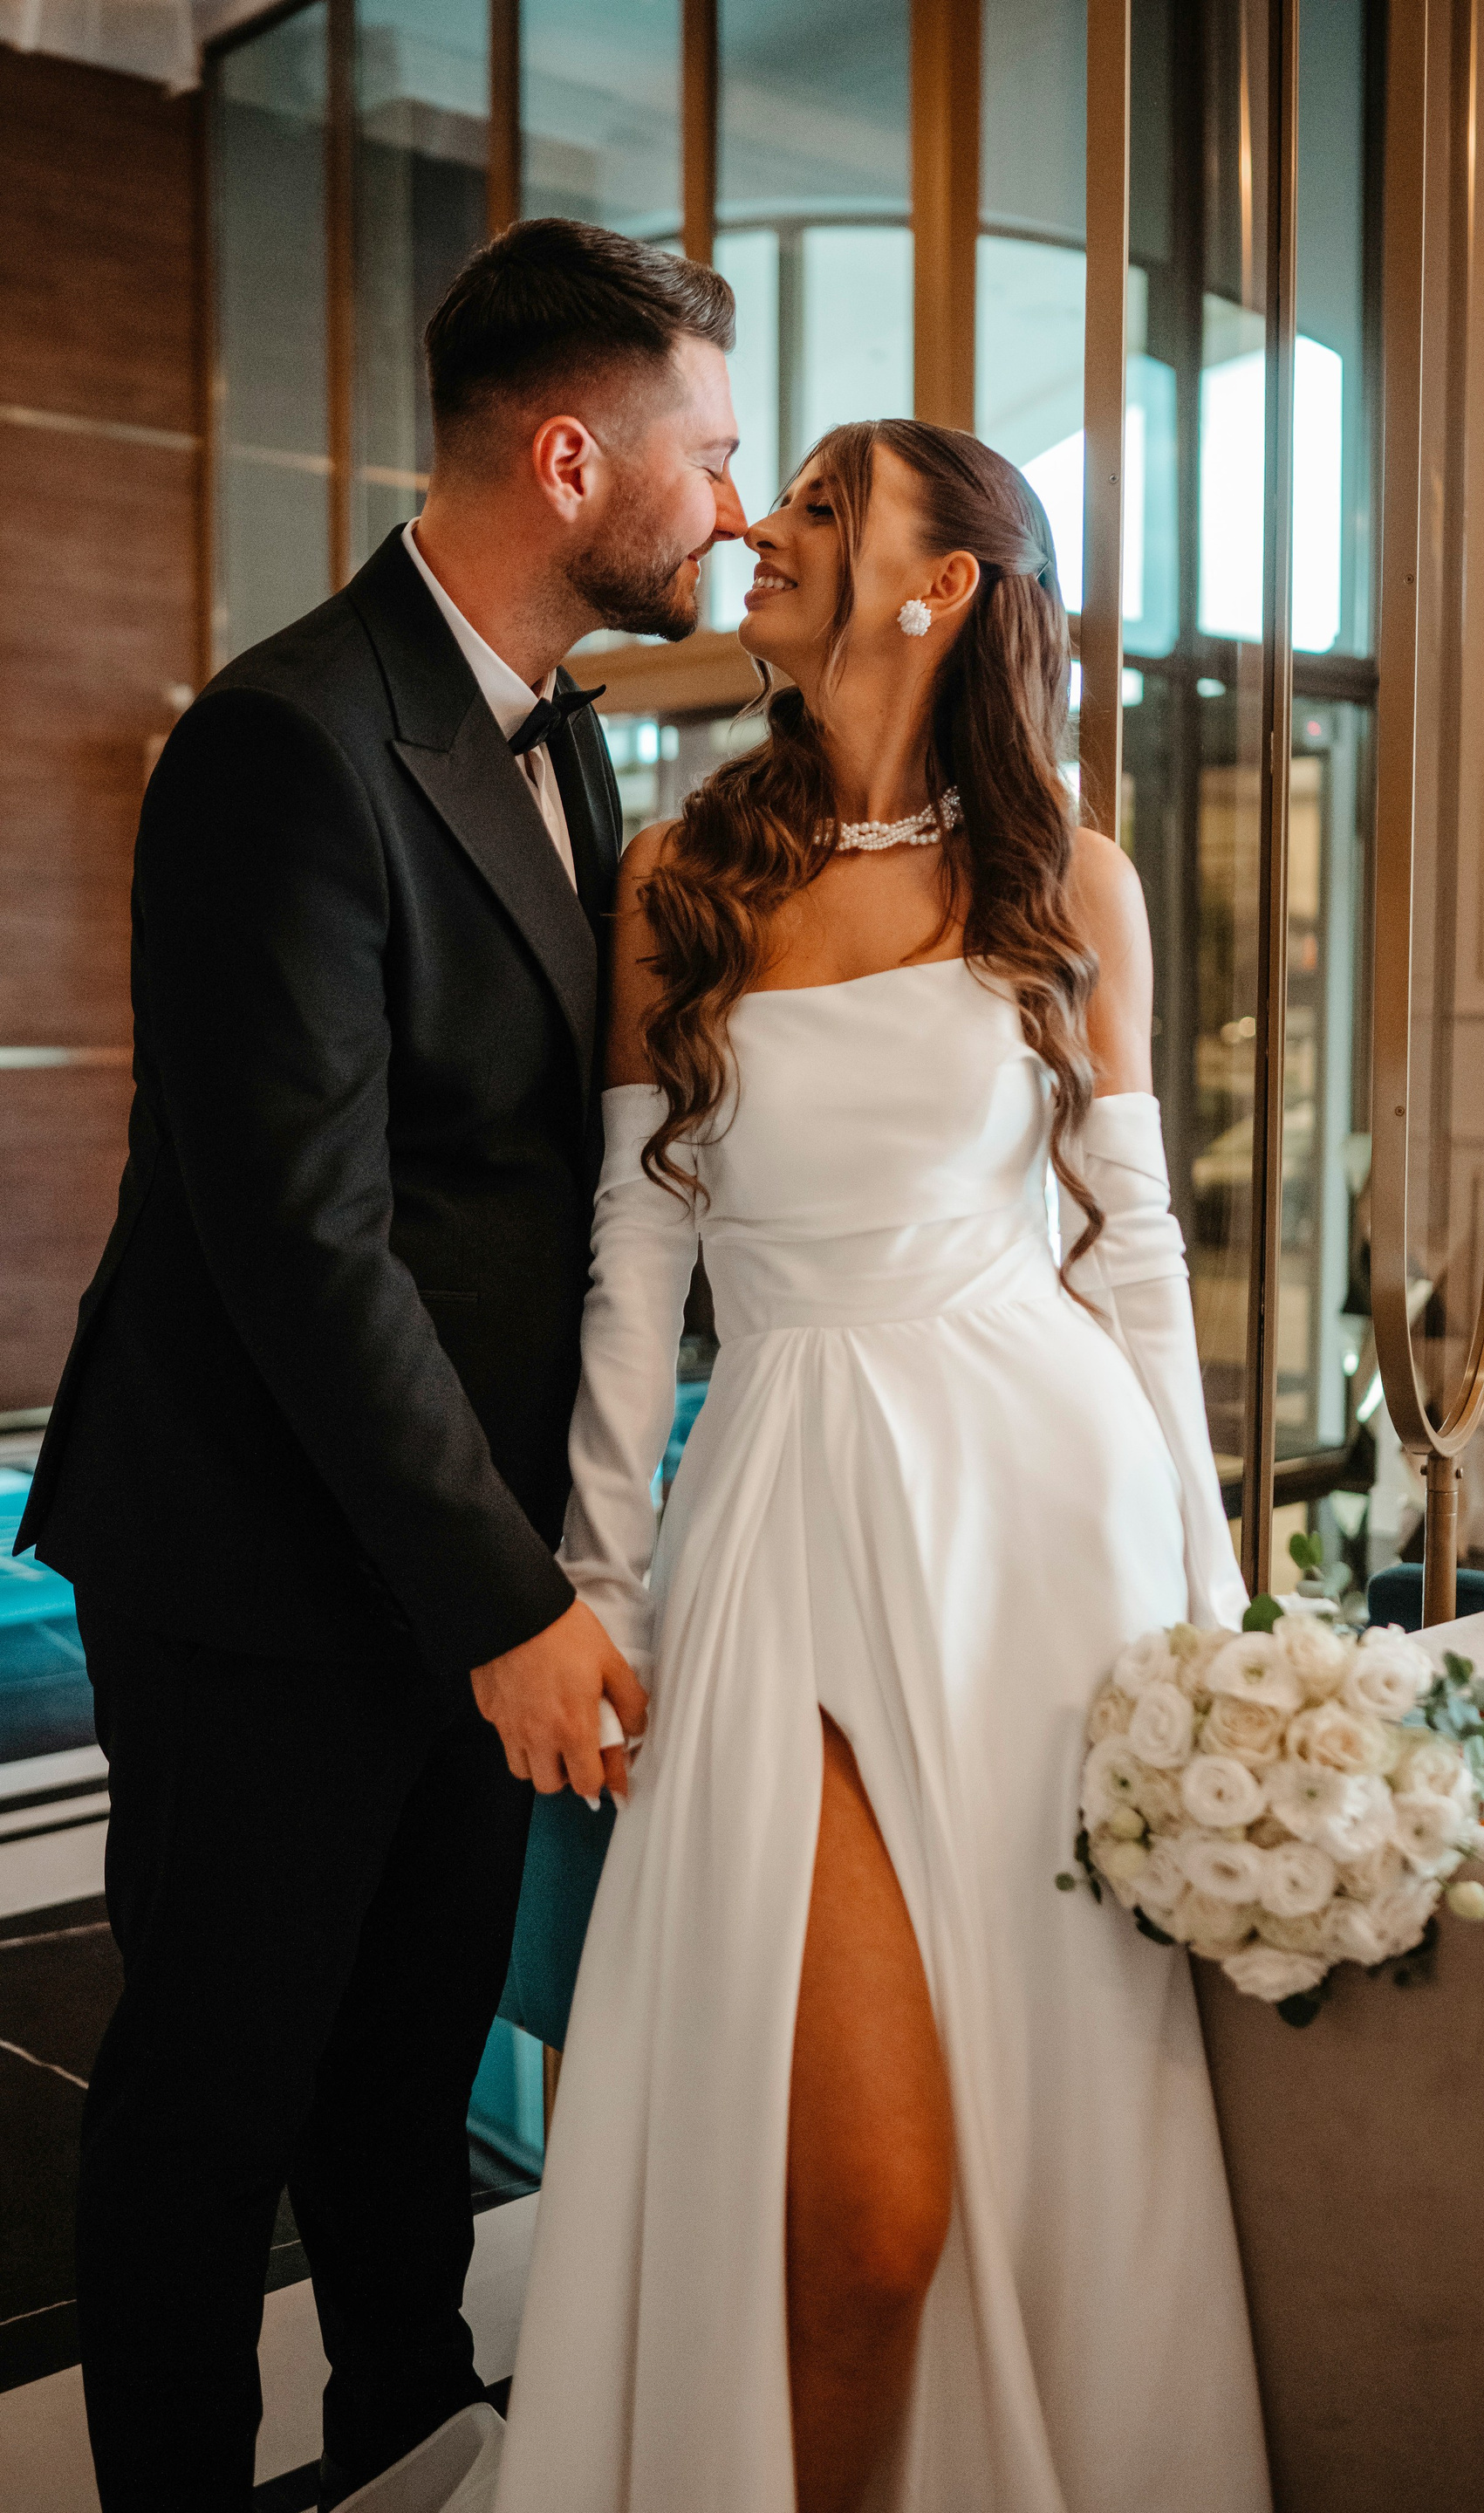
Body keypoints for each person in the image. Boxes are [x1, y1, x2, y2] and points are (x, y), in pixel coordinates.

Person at [360, 417, 1269, 2511]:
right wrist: (599, 1576)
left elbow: (1133, 1257)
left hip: (1058, 1537)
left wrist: (1217, 1614)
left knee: (1057, 2115)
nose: (762, 526)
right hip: (787, 1504)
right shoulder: (685, 880)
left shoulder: (1074, 881)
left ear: (942, 588)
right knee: (869, 2216)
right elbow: (635, 1264)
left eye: (829, 510)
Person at [15, 219, 742, 2511]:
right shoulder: (284, 739)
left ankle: (413, 2436)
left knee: (412, 2048)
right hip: (257, 1554)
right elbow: (300, 1239)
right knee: (217, 2086)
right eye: (712, 454)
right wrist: (507, 1601)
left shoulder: (567, 739)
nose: (732, 506)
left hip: (457, 1551)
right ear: (571, 459)